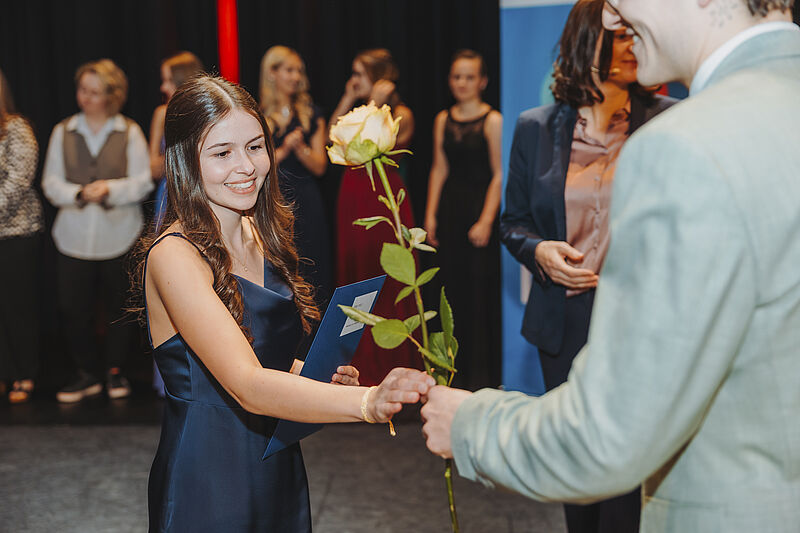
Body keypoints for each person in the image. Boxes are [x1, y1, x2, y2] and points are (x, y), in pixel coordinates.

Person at [420, 0, 800, 531]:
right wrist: (540, 250)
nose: (611, 17)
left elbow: (610, 436)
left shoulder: (681, 140)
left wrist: (469, 425)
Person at [139, 75, 432, 531]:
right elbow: (246, 383)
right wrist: (366, 402)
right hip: (209, 474)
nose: (246, 166)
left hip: (275, 457)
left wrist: (315, 376)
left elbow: (258, 356)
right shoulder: (174, 255)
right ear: (184, 160)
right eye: (222, 153)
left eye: (255, 147)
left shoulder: (259, 232)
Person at [503, 1, 674, 530]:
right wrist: (539, 251)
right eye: (619, 35)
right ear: (586, 41)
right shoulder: (535, 128)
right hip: (564, 319)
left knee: (627, 460)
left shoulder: (668, 120)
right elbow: (514, 222)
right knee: (575, 461)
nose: (632, 44)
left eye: (635, 34)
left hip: (638, 320)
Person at [42, 59, 152, 402]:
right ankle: (86, 373)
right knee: (73, 309)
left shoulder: (129, 131)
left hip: (120, 234)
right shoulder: (63, 131)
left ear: (111, 96)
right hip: (72, 237)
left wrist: (110, 190)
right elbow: (50, 182)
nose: (85, 97)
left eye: (94, 92)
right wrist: (77, 194)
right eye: (82, 90)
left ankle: (115, 372)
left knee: (120, 308)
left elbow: (142, 182)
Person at [330, 49, 422, 385]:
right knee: (356, 277)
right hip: (353, 197)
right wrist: (348, 98)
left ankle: (390, 365)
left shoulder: (400, 114)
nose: (354, 80)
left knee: (386, 276)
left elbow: (376, 144)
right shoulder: (357, 111)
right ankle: (357, 366)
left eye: (360, 74)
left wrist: (377, 104)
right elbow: (332, 137)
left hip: (381, 198)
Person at [423, 50, 503, 391]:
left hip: (478, 213)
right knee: (449, 293)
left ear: (482, 81)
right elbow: (439, 168)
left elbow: (499, 174)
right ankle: (450, 375)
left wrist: (486, 220)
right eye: (457, 76)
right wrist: (430, 216)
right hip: (450, 214)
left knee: (477, 295)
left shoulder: (493, 120)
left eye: (469, 77)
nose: (462, 83)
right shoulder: (442, 119)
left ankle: (481, 379)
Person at [259, 46, 331, 334]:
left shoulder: (312, 113)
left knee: (313, 265)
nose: (296, 77)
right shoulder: (259, 116)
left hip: (307, 198)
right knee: (282, 268)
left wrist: (300, 149)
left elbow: (320, 166)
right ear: (272, 73)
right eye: (289, 70)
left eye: (299, 71)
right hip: (276, 199)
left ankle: (316, 335)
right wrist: (284, 149)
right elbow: (259, 164)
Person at [0, 67, 43, 404]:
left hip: (17, 233)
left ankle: (25, 374)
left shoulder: (16, 128)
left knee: (17, 308)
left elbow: (17, 182)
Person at [148, 51, 204, 231]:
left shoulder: (206, 113)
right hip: (169, 192)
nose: (163, 87)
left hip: (201, 190)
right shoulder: (161, 114)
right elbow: (154, 168)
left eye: (169, 80)